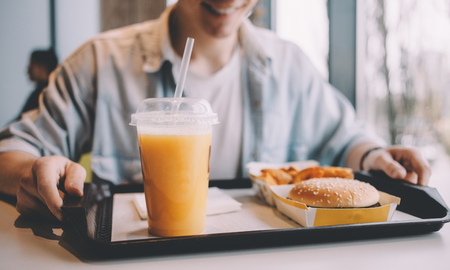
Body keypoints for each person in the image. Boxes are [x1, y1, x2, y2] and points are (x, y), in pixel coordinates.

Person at [0, 0, 431, 221]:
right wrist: (31, 172)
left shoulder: (290, 65)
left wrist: (376, 157)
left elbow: (346, 140)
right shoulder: (99, 62)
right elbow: (13, 150)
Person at [16, 48, 58, 120]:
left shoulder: (41, 95)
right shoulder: (54, 91)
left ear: (42, 67)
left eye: (31, 64)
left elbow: (21, 121)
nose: (28, 70)